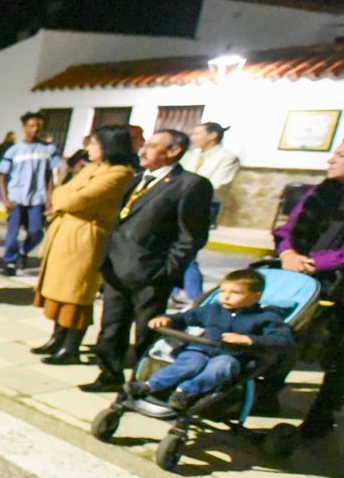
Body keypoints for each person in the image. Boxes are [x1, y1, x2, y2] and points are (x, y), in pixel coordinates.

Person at [80, 129, 212, 392]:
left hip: (151, 273)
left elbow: (191, 237)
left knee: (147, 332)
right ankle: (109, 374)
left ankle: (144, 382)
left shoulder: (189, 184)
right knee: (111, 327)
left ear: (173, 151)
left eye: (152, 146)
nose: (143, 150)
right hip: (117, 268)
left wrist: (167, 271)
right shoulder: (137, 179)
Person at [266, 134, 344, 438]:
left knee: (340, 350)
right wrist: (288, 253)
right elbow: (288, 229)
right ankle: (266, 394)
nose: (332, 160)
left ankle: (323, 413)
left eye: (343, 155)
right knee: (285, 334)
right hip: (303, 277)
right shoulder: (323, 193)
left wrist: (321, 261)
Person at [31, 125, 137, 364]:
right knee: (58, 290)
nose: (89, 149)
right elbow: (63, 192)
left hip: (85, 238)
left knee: (76, 292)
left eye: (94, 144)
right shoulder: (92, 167)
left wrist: (61, 198)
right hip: (66, 233)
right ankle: (57, 338)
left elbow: (77, 199)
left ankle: (71, 346)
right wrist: (62, 197)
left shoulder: (120, 174)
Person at [126, 269, 293, 411]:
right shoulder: (213, 310)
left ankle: (185, 392)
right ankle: (150, 385)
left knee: (221, 366)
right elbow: (185, 317)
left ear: (255, 297)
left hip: (233, 356)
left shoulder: (265, 317)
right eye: (222, 291)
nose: (226, 297)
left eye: (235, 293)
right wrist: (167, 319)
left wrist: (249, 339)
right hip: (201, 349)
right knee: (190, 363)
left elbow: (283, 340)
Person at [176, 122, 241, 304]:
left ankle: (196, 297)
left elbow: (218, 185)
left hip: (202, 207)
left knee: (187, 249)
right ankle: (176, 292)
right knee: (176, 249)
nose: (193, 137)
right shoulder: (190, 156)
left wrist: (186, 191)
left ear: (213, 135)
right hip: (178, 205)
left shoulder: (227, 158)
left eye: (197, 133)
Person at [0, 112, 62, 276]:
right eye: (31, 126)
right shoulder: (14, 151)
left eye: (38, 126)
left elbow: (50, 177)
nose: (35, 129)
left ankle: (23, 251)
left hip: (37, 199)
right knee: (13, 233)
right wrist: (5, 199)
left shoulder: (48, 149)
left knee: (36, 232)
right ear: (24, 128)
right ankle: (10, 262)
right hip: (16, 198)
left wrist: (50, 198)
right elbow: (2, 176)